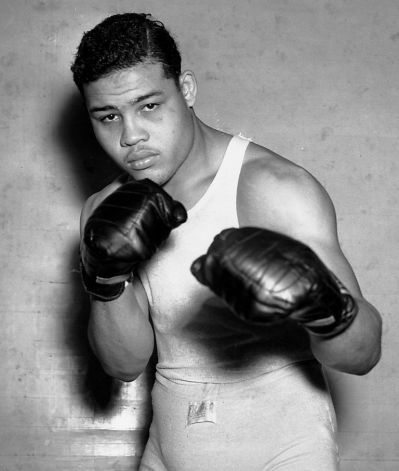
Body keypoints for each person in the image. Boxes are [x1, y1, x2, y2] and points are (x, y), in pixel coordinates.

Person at [71, 12, 382, 471]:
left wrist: (323, 306)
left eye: (149, 105)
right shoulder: (104, 211)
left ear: (188, 90)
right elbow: (124, 364)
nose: (130, 135)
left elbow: (363, 354)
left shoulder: (273, 187)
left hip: (285, 455)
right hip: (168, 452)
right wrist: (105, 278)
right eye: (109, 116)